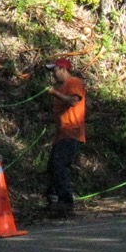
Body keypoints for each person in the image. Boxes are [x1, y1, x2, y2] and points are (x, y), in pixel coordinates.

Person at [44, 57, 86, 217]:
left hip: (72, 133)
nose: (54, 74)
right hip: (62, 134)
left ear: (63, 69)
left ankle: (66, 202)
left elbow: (73, 101)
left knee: (60, 165)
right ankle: (54, 200)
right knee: (53, 167)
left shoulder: (74, 82)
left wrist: (54, 93)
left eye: (55, 70)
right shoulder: (61, 88)